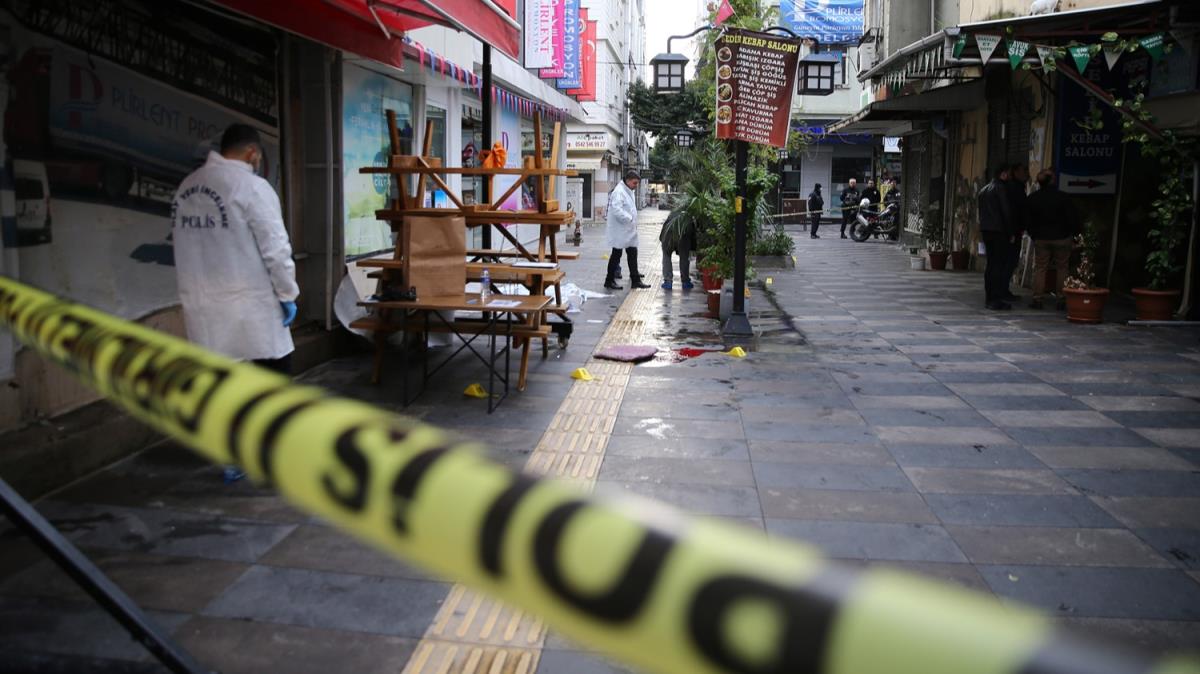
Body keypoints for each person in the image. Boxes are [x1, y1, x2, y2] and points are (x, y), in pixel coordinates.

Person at [172, 124, 299, 481]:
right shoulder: (252, 187)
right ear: (252, 154)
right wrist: (288, 294)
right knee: (273, 378)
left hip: (203, 303)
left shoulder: (188, 188)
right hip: (250, 302)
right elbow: (276, 249)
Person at [1026, 168, 1081, 309]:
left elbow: (1028, 219)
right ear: (1052, 181)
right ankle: (1061, 298)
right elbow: (1071, 218)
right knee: (1062, 268)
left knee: (1040, 268)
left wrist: (1034, 234)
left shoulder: (1033, 198)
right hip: (1061, 237)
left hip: (1041, 238)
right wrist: (1073, 234)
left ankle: (1037, 298)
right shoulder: (1063, 197)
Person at [978, 166, 1016, 310]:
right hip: (999, 231)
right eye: (1008, 174)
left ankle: (990, 297)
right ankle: (995, 298)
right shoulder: (1000, 189)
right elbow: (1006, 211)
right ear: (1003, 174)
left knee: (991, 264)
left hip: (987, 230)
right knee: (998, 265)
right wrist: (1011, 232)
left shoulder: (983, 190)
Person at [605, 169, 648, 290]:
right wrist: (629, 219)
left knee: (632, 252)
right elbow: (616, 210)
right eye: (634, 183)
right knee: (616, 255)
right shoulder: (619, 192)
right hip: (620, 230)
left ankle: (635, 279)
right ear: (628, 181)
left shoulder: (627, 190)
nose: (636, 186)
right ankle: (609, 280)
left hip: (627, 229)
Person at [1002, 163, 1030, 300]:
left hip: (1011, 230)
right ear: (1015, 172)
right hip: (1012, 231)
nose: (1027, 173)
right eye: (1024, 170)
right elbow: (1015, 211)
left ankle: (1002, 289)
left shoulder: (1010, 187)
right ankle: (1002, 289)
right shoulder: (1015, 189)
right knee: (1010, 261)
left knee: (1008, 261)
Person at [659, 211, 694, 290]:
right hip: (683, 237)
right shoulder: (689, 217)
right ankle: (685, 282)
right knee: (684, 257)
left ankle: (668, 282)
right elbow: (692, 235)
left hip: (668, 237)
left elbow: (664, 228)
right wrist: (692, 248)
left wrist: (662, 240)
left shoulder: (672, 214)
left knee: (666, 256)